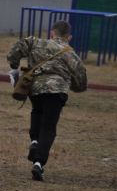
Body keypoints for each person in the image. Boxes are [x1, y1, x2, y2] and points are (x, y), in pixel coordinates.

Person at [7, 20, 87, 181]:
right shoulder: (69, 53)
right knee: (49, 127)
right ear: (68, 37)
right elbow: (81, 79)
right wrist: (75, 87)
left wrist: (14, 64)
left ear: (52, 33)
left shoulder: (36, 42)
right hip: (57, 92)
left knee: (37, 111)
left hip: (36, 88)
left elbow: (18, 47)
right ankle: (38, 163)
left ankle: (34, 141)